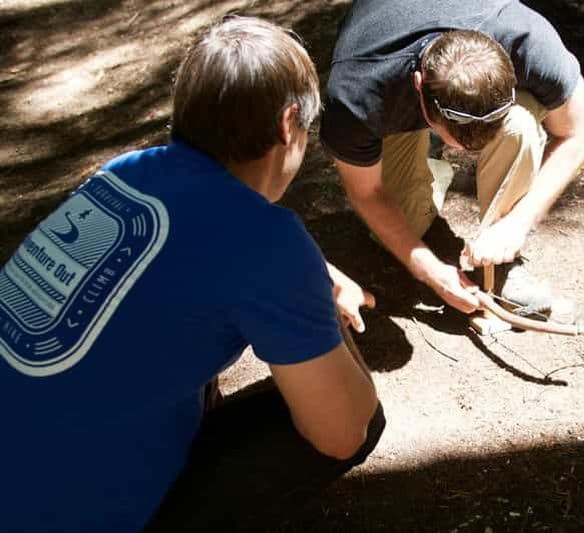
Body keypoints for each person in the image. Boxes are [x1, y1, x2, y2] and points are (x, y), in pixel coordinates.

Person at [0, 16, 383, 533]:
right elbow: (343, 431)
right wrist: (320, 301)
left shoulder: (124, 174)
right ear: (289, 124)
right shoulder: (262, 235)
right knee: (363, 415)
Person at [320, 0, 584, 318]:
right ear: (418, 85)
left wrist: (518, 223)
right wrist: (432, 272)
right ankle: (429, 164)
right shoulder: (357, 95)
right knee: (400, 226)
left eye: (487, 133)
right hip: (390, 84)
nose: (471, 152)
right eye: (460, 140)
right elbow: (366, 193)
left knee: (519, 126)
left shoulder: (526, 41)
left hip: (450, 65)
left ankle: (500, 261)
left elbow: (580, 130)